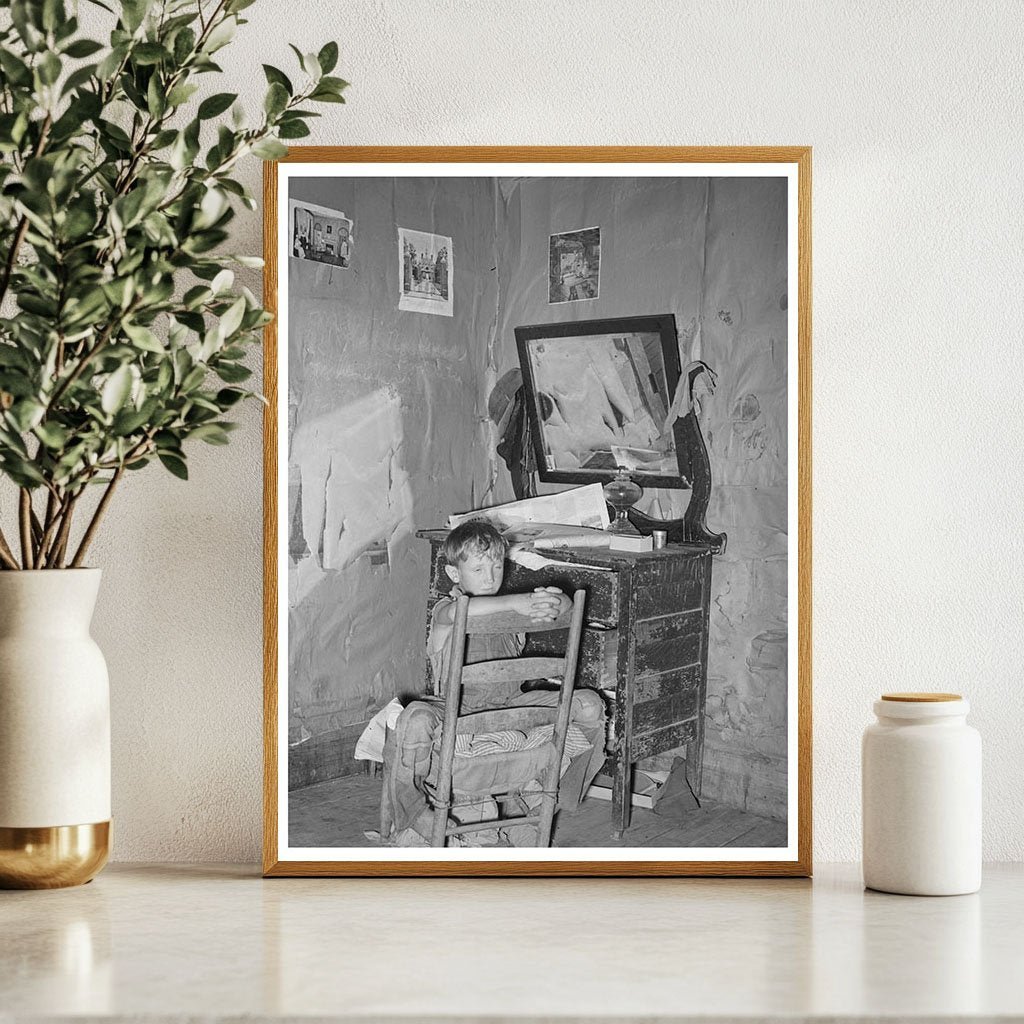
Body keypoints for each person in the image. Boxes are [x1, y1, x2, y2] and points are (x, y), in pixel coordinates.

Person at [385, 520, 605, 843]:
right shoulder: (446, 611)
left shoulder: (515, 613)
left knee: (590, 706)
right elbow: (461, 612)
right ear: (455, 574)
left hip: (510, 707)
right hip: (454, 712)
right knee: (414, 718)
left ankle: (540, 798)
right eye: (478, 569)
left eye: (497, 566)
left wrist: (556, 601)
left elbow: (569, 608)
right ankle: (416, 813)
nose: (490, 577)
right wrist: (518, 602)